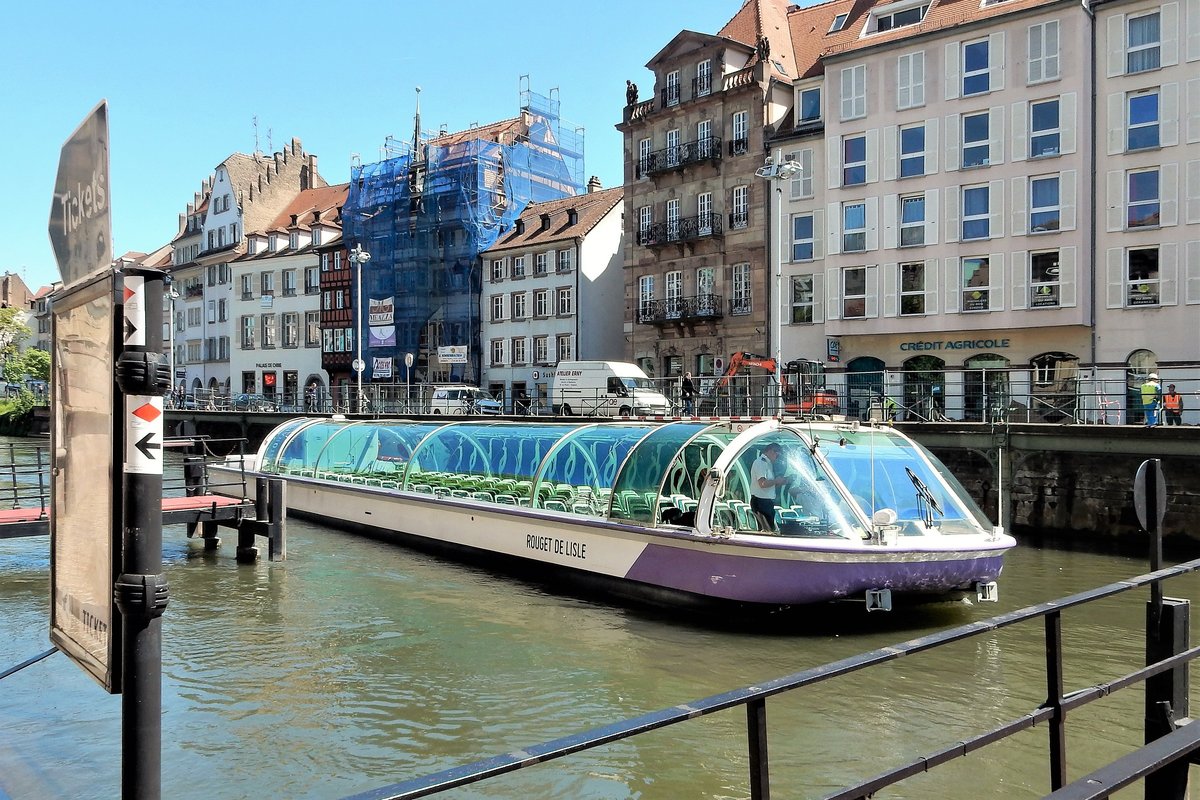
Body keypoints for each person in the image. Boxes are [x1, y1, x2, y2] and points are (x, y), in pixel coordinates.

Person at [749, 442, 789, 532]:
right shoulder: (760, 463)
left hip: (766, 501)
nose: (777, 458)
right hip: (761, 501)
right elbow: (762, 483)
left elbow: (769, 484)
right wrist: (776, 481)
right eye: (777, 455)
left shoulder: (767, 464)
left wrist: (782, 481)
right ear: (771, 451)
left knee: (770, 529)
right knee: (767, 530)